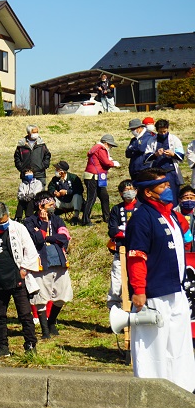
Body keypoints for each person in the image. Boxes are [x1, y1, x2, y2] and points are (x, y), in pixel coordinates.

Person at [125, 168, 195, 392]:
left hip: (176, 289)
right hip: (153, 293)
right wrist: (138, 289)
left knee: (179, 344)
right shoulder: (141, 218)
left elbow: (184, 233)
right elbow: (136, 257)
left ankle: (183, 387)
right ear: (148, 192)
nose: (168, 188)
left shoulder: (170, 213)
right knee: (153, 346)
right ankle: (152, 391)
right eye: (162, 185)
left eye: (167, 184)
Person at [0, 202, 41, 360]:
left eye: (4, 221)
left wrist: (24, 268)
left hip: (16, 277)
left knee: (25, 314)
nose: (1, 225)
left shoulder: (18, 228)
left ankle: (30, 344)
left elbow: (30, 251)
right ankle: (2, 346)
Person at [23, 192, 73, 339]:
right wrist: (44, 225)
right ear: (41, 206)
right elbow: (37, 240)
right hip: (41, 263)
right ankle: (45, 330)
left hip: (59, 261)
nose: (53, 207)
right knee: (41, 296)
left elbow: (64, 238)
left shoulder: (57, 219)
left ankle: (52, 322)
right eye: (50, 204)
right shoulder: (29, 221)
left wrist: (47, 237)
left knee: (62, 295)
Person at [106, 180, 138, 312]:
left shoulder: (143, 207)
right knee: (116, 284)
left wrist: (124, 230)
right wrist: (126, 232)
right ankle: (115, 315)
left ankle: (137, 312)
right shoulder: (116, 209)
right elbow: (112, 230)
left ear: (136, 191)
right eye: (125, 190)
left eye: (131, 189)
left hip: (139, 251)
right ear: (120, 193)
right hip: (121, 251)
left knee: (137, 281)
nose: (129, 192)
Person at [81, 134, 120, 226]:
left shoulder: (96, 148)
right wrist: (114, 163)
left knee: (104, 196)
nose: (110, 147)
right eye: (110, 145)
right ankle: (85, 219)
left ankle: (107, 217)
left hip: (96, 176)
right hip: (93, 177)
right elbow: (106, 162)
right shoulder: (100, 149)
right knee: (92, 198)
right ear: (105, 143)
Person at [144, 119, 184, 205]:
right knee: (158, 194)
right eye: (160, 132)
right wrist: (156, 154)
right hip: (157, 173)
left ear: (167, 129)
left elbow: (181, 154)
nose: (163, 134)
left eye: (164, 131)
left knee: (173, 195)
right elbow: (146, 156)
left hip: (171, 172)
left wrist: (173, 154)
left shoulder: (174, 139)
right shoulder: (152, 140)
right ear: (157, 130)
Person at [48, 161, 84, 225]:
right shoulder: (55, 179)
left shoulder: (74, 178)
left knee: (77, 196)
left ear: (63, 171)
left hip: (71, 201)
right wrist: (54, 192)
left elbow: (79, 189)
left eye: (57, 169)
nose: (56, 171)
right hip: (60, 202)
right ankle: (51, 216)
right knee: (51, 198)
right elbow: (50, 187)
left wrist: (67, 192)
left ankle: (75, 217)